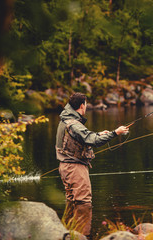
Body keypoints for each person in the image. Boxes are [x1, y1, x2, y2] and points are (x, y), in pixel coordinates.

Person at [55, 92, 128, 236]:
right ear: (82, 106)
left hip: (65, 166)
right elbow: (92, 140)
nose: (86, 106)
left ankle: (67, 234)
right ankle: (83, 235)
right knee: (83, 202)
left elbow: (82, 137)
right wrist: (115, 133)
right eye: (86, 104)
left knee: (72, 201)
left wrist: (99, 134)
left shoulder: (65, 120)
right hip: (74, 168)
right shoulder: (74, 124)